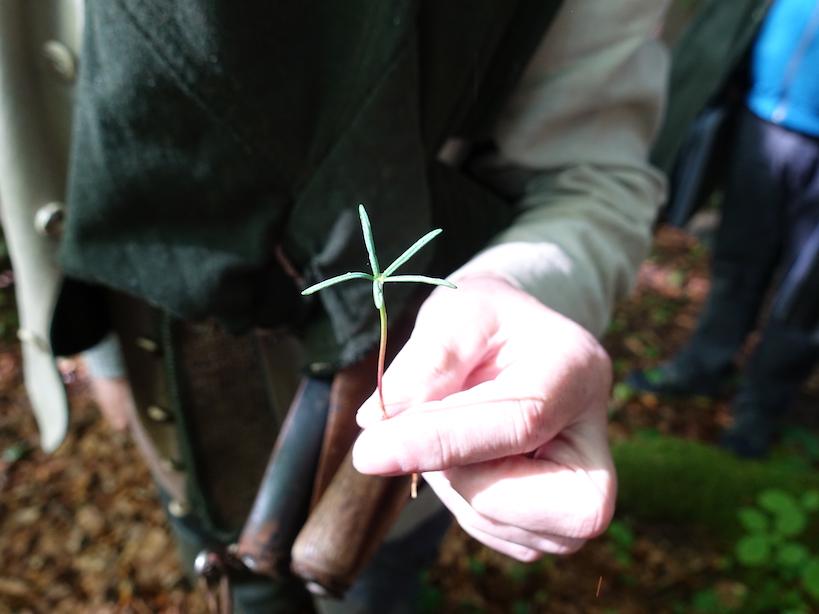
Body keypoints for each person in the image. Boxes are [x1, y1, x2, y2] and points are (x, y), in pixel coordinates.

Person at [0, 1, 670, 612]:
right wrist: (101, 345)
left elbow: (591, 175)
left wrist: (518, 285)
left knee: (363, 592)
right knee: (223, 573)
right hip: (159, 372)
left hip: (395, 436)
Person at [629, 0, 819, 459]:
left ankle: (760, 408)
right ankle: (702, 366)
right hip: (761, 122)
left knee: (807, 298)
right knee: (736, 262)